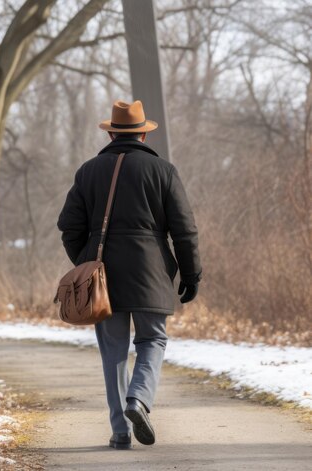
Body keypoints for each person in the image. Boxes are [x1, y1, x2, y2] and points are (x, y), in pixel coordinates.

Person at [57, 100, 202, 450]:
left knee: (114, 350)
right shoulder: (163, 171)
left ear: (110, 132)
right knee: (153, 340)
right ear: (143, 134)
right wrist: (191, 273)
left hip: (102, 274)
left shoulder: (88, 171)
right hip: (151, 272)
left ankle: (120, 431)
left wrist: (87, 261)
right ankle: (138, 399)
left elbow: (68, 226)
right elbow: (184, 230)